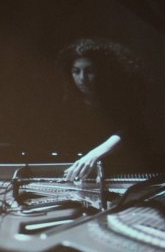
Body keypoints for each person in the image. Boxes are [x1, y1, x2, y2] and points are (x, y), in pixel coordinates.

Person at [54, 37, 154, 182]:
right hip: (86, 177)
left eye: (89, 71)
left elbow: (130, 132)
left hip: (125, 172)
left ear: (103, 72)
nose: (82, 78)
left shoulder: (121, 100)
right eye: (76, 71)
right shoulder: (67, 104)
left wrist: (94, 154)